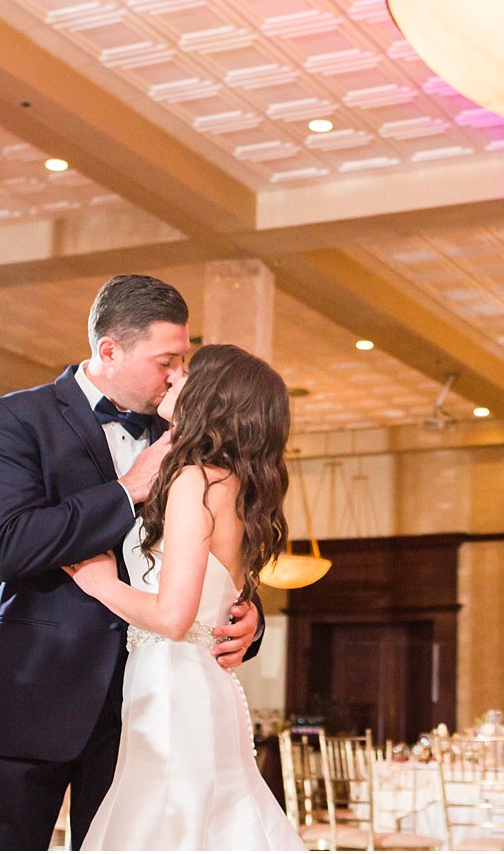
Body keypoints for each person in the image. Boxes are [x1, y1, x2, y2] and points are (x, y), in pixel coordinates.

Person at [0, 275, 263, 850]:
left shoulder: (183, 434)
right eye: (164, 361)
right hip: (34, 689)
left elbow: (204, 548)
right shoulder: (18, 418)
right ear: (109, 350)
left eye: (182, 361)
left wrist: (246, 615)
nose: (176, 376)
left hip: (142, 712)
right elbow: (9, 545)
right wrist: (125, 491)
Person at [66, 343, 304, 850]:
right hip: (200, 683)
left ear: (212, 398)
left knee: (166, 822)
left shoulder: (194, 479)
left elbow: (173, 618)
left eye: (186, 373)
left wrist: (100, 583)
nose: (174, 377)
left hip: (172, 684)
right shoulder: (235, 485)